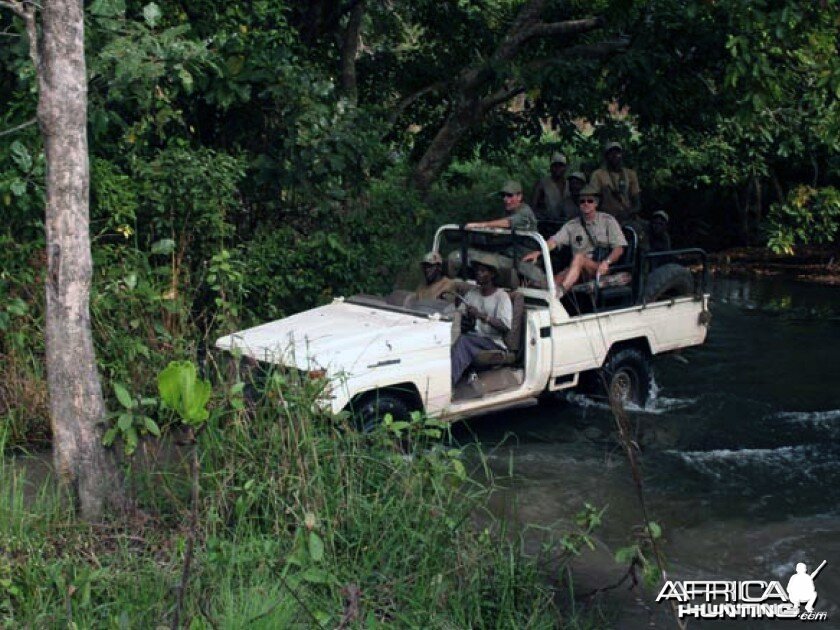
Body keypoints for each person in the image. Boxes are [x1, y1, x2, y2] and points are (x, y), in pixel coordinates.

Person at [522, 185, 626, 294]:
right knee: (551, 282)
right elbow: (554, 241)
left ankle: (561, 291)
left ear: (596, 203)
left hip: (600, 267)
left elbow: (619, 249)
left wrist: (606, 262)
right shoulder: (572, 225)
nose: (586, 203)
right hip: (577, 269)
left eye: (590, 201)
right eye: (582, 201)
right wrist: (539, 252)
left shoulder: (608, 221)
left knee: (579, 257)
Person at [450, 254, 512, 387]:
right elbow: (458, 314)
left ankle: (448, 385)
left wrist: (481, 316)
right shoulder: (473, 293)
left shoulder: (502, 297)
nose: (478, 273)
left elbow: (505, 326)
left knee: (464, 341)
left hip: (493, 342)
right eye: (477, 270)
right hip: (474, 338)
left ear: (492, 275)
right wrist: (466, 318)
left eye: (483, 271)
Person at [589, 142, 641, 222]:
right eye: (611, 153)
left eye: (617, 153)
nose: (614, 155)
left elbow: (637, 203)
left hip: (627, 216)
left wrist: (628, 213)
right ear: (606, 157)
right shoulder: (597, 174)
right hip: (605, 217)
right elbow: (592, 200)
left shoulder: (631, 174)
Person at [466, 180, 537, 232]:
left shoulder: (524, 212)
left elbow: (508, 222)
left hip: (525, 249)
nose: (505, 199)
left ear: (519, 196)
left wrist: (480, 225)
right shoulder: (508, 211)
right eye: (503, 195)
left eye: (510, 195)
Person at [531, 152, 568, 221]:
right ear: (550, 167)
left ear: (565, 168)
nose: (558, 168)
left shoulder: (569, 184)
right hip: (545, 223)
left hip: (565, 224)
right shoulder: (542, 183)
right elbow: (533, 206)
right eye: (555, 166)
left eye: (560, 165)